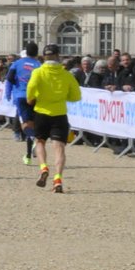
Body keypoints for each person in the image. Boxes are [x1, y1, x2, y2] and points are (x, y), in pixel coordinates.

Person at [24, 43, 81, 192]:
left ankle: (43, 168)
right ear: (58, 56)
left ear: (44, 57)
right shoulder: (66, 74)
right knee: (59, 148)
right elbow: (76, 96)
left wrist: (32, 98)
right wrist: (63, 96)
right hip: (60, 113)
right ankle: (58, 179)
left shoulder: (38, 72)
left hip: (41, 112)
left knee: (40, 142)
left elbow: (30, 88)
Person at [6, 43, 43, 164]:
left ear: (26, 52)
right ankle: (27, 156)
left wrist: (9, 92)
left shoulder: (17, 63)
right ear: (37, 53)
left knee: (26, 126)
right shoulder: (39, 65)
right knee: (33, 124)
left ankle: (34, 141)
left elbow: (9, 78)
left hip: (21, 96)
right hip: (34, 97)